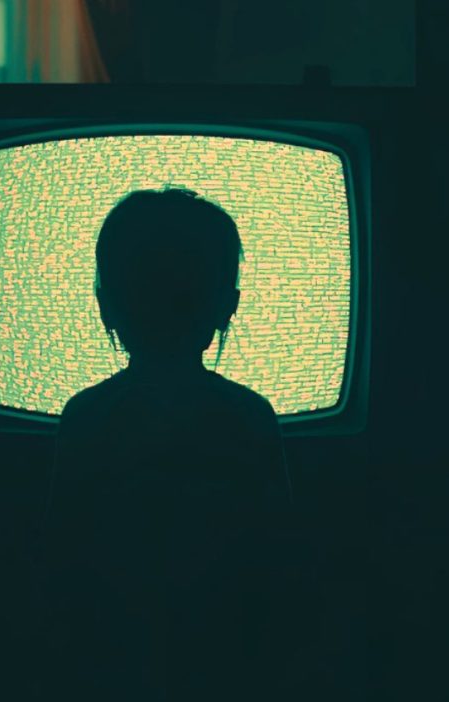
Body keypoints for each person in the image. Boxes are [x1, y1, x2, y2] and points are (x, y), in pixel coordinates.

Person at [43, 188, 297, 701]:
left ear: (105, 303)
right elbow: (280, 565)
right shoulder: (250, 416)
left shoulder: (87, 416)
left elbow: (60, 566)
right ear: (227, 304)